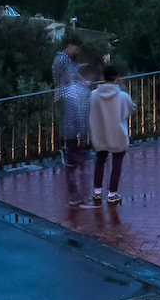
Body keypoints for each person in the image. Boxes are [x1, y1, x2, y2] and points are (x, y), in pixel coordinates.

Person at [87, 65, 136, 204]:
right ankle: (112, 193)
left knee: (100, 161)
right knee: (117, 163)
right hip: (117, 134)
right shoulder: (122, 96)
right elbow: (129, 110)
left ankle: (97, 191)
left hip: (100, 133)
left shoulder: (93, 95)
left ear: (103, 77)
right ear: (116, 77)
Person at [52, 37, 90, 207]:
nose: (77, 52)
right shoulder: (61, 60)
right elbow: (69, 79)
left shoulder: (63, 60)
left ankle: (75, 192)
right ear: (70, 46)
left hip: (68, 101)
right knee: (71, 152)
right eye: (76, 48)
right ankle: (73, 194)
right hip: (68, 101)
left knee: (72, 149)